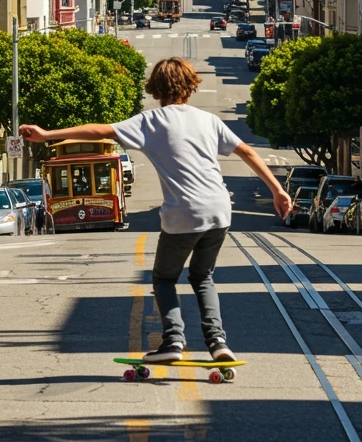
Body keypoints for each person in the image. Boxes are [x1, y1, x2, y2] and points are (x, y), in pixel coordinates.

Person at [20, 57, 292, 363]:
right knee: (203, 277)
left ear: (155, 89)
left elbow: (100, 131)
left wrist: (47, 135)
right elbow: (247, 151)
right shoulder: (208, 120)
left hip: (184, 214)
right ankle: (218, 343)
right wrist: (278, 191)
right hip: (219, 210)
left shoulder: (149, 122)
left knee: (164, 278)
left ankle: (173, 342)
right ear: (190, 86)